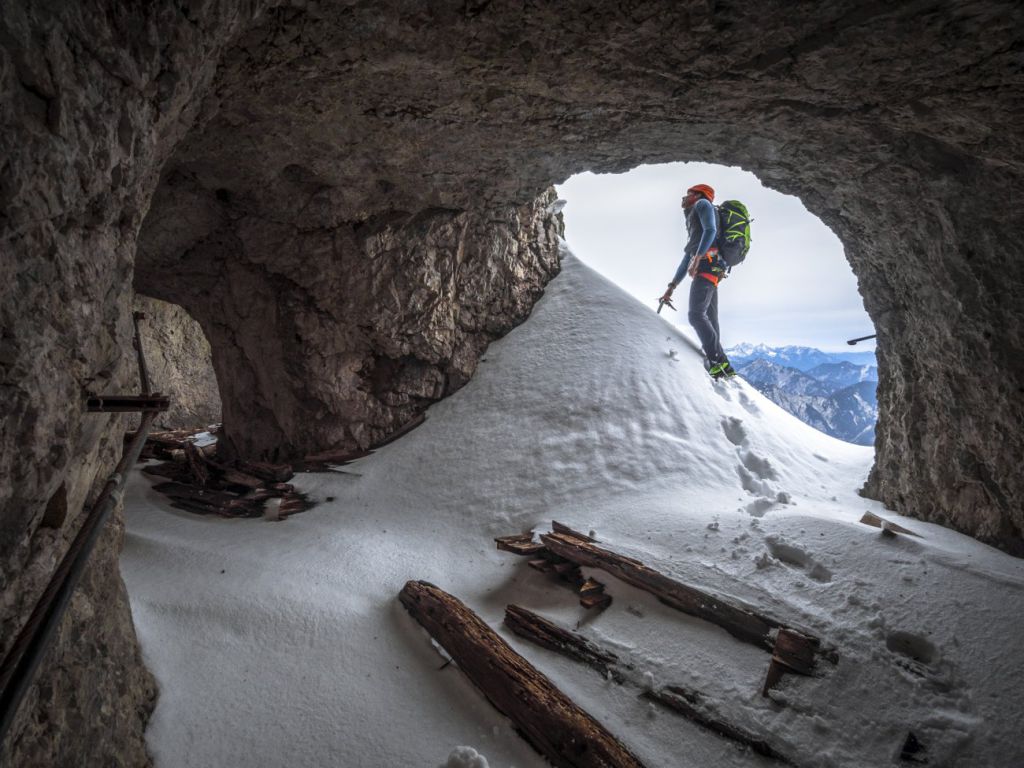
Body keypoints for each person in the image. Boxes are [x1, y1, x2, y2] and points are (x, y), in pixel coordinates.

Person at [659, 183, 735, 379]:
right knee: (710, 318)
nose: (683, 198)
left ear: (698, 195)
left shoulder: (702, 204)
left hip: (707, 267)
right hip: (710, 269)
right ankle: (724, 364)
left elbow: (710, 231)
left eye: (687, 194)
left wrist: (698, 258)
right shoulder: (694, 222)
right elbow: (687, 258)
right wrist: (671, 287)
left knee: (695, 315)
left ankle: (717, 360)